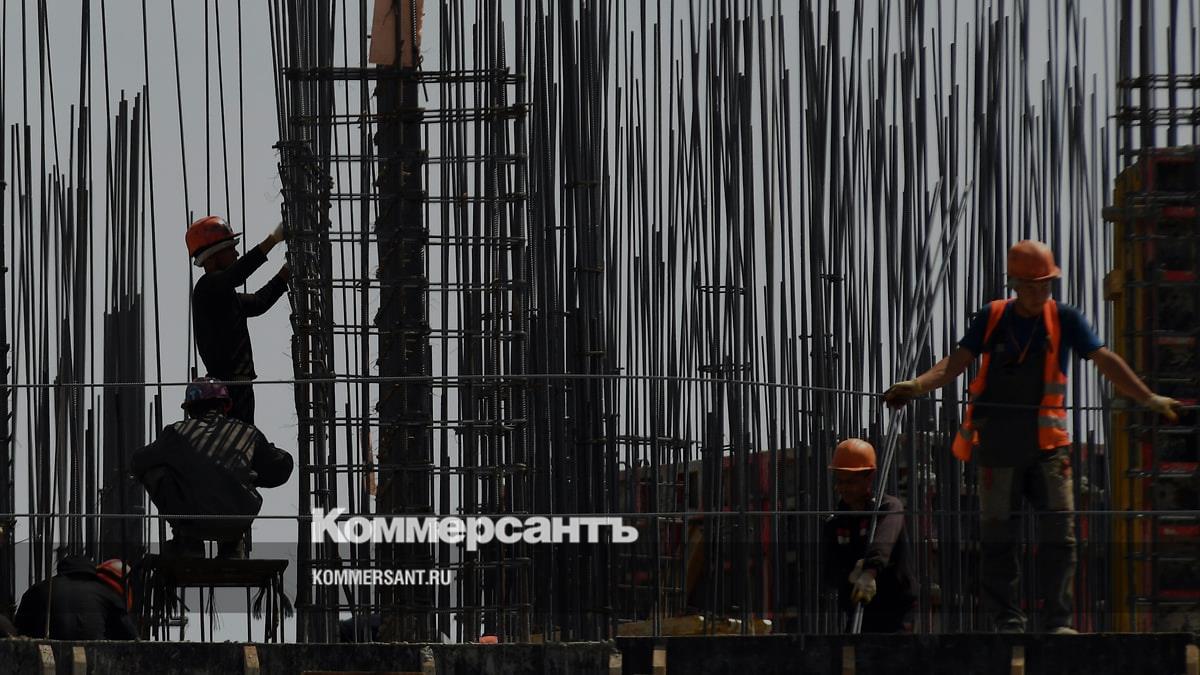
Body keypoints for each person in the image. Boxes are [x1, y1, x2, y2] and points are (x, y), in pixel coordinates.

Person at [884, 239, 1180, 634]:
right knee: (998, 539)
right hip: (999, 448)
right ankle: (1007, 621)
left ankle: (1058, 621)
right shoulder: (993, 317)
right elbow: (956, 363)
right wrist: (917, 386)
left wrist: (1148, 397)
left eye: (1045, 284)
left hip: (1048, 449)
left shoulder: (1065, 319)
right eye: (1031, 285)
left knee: (1061, 535)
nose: (1040, 292)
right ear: (1015, 284)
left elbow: (1105, 360)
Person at [132, 378, 294, 559]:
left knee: (154, 472)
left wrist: (178, 466)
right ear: (225, 406)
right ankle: (232, 546)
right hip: (236, 523)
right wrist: (250, 473)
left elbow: (139, 461)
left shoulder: (177, 432)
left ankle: (188, 542)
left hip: (192, 522)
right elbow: (280, 467)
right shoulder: (247, 433)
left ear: (190, 409)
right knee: (243, 471)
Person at [187, 215, 289, 425]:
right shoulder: (207, 288)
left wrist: (286, 273)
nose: (236, 253)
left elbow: (259, 303)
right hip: (226, 387)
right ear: (212, 257)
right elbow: (237, 274)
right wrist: (273, 240)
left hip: (239, 385)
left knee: (244, 435)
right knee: (238, 435)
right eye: (230, 249)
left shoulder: (224, 296)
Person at [822, 438, 917, 633]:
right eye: (840, 481)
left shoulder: (889, 508)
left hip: (895, 613)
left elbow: (884, 542)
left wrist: (869, 571)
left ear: (869, 477)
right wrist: (848, 576)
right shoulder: (836, 522)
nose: (843, 488)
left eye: (850, 482)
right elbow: (830, 570)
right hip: (857, 612)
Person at [13, 555, 137, 640]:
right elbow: (130, 636)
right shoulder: (107, 594)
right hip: (96, 660)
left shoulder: (37, 590)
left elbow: (20, 631)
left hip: (49, 659)